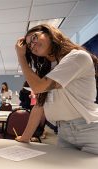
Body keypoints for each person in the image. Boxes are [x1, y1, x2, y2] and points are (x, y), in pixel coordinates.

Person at [15, 24, 98, 154]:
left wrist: (21, 57)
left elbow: (38, 87)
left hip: (89, 129)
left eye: (34, 38)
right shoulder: (49, 68)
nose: (32, 45)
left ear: (49, 33)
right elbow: (39, 106)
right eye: (29, 45)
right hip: (63, 131)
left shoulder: (77, 57)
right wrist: (25, 138)